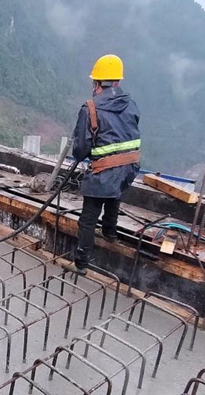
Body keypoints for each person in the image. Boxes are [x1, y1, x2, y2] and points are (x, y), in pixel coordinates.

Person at [68, 54, 141, 275]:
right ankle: (110, 232)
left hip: (103, 172)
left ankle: (81, 264)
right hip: (129, 168)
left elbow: (80, 150)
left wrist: (83, 151)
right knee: (114, 193)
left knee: (88, 219)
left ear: (97, 83)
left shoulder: (90, 108)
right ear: (117, 81)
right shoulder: (131, 104)